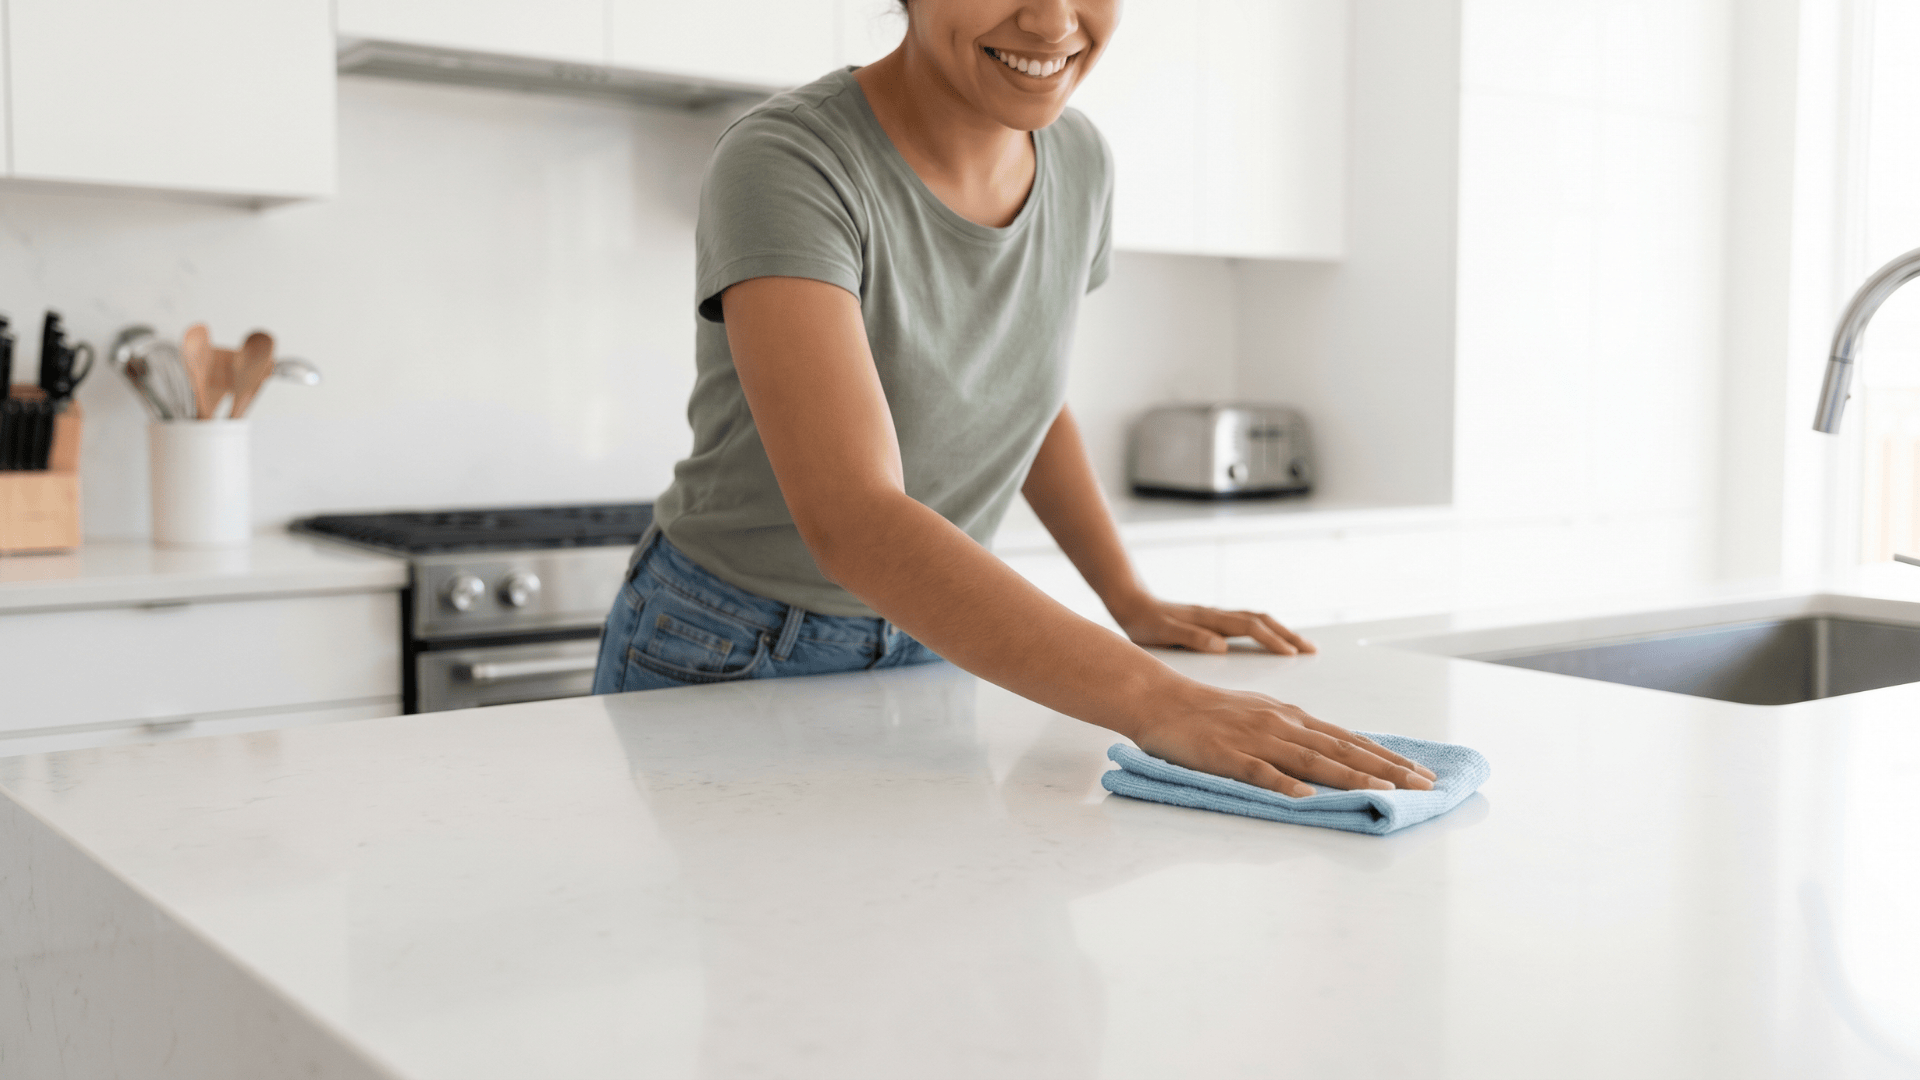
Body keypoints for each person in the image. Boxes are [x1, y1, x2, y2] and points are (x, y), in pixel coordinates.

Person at [593, 0, 1436, 797]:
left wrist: (1128, 598)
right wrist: (1160, 700)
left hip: (937, 632)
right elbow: (853, 518)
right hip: (731, 640)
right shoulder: (788, 160)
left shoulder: (1079, 161)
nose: (1052, 22)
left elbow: (1024, 398)